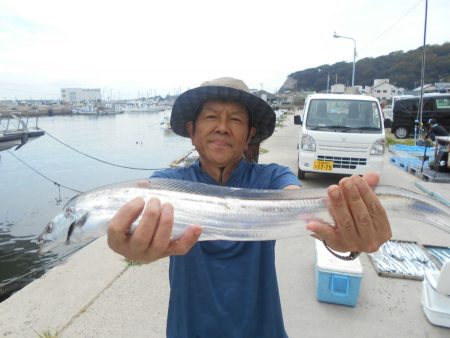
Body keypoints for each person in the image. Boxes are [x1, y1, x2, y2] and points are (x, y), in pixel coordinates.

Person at [107, 77, 392, 337]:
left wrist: (345, 236)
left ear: (248, 136)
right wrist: (132, 246)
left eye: (235, 119)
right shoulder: (168, 184)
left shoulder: (271, 178)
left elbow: (297, 204)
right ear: (192, 132)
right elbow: (146, 219)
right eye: (210, 117)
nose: (222, 126)